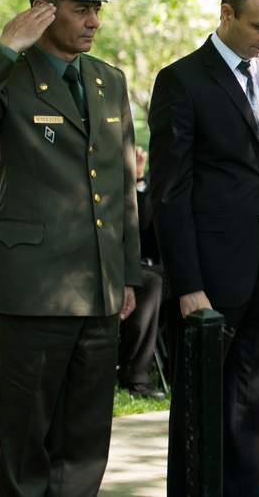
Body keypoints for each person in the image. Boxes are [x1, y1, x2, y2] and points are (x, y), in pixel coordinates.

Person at [0, 0, 140, 495]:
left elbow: (123, 188)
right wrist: (5, 46)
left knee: (85, 443)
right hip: (35, 289)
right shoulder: (8, 73)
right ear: (44, 9)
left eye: (96, 8)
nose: (93, 21)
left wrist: (128, 274)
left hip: (100, 287)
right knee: (25, 441)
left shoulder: (109, 81)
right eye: (81, 9)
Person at [149, 0, 259, 496]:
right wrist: (188, 284)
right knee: (201, 414)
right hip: (208, 279)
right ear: (226, 13)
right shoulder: (181, 80)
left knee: (254, 412)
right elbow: (168, 192)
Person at [118, 146, 166, 399]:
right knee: (151, 282)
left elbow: (143, 220)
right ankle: (135, 375)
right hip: (100, 265)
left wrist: (137, 178)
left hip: (133, 263)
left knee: (181, 280)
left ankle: (183, 366)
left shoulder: (133, 186)